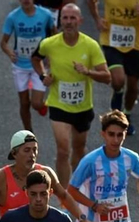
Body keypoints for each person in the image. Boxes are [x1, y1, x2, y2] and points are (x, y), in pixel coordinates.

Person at [32, 5, 109, 183]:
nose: (68, 22)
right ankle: (64, 194)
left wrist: (88, 71)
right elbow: (36, 58)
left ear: (80, 21)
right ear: (60, 21)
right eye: (65, 18)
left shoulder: (90, 46)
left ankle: (77, 185)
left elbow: (107, 77)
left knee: (79, 150)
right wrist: (43, 75)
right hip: (59, 104)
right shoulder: (49, 44)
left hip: (83, 107)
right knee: (63, 150)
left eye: (72, 18)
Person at [94, 0, 139, 118]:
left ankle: (127, 114)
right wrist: (97, 19)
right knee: (118, 81)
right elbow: (90, 2)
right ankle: (118, 93)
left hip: (134, 45)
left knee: (133, 88)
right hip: (111, 41)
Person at [0, 0, 56, 130]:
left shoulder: (45, 14)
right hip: (20, 65)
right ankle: (28, 132)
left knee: (36, 104)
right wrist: (9, 53)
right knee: (24, 103)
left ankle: (42, 104)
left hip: (39, 64)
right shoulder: (13, 17)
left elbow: (55, 34)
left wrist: (50, 55)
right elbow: (3, 43)